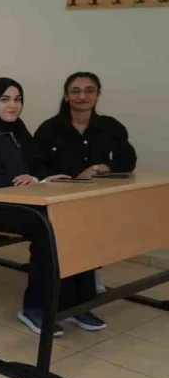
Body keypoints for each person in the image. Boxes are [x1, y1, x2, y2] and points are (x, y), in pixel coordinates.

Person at [0, 77, 103, 336]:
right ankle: (36, 307)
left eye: (18, 99)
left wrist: (41, 178)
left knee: (76, 218)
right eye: (5, 99)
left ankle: (77, 303)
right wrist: (35, 182)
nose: (13, 105)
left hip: (24, 200)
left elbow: (36, 163)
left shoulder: (18, 129)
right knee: (48, 227)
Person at [31, 71, 136, 295]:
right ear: (66, 96)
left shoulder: (110, 126)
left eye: (89, 91)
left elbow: (128, 159)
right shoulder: (49, 129)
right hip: (60, 199)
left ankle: (89, 271)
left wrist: (100, 168)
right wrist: (52, 180)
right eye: (75, 91)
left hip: (97, 198)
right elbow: (35, 164)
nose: (82, 96)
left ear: (97, 95)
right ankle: (67, 283)